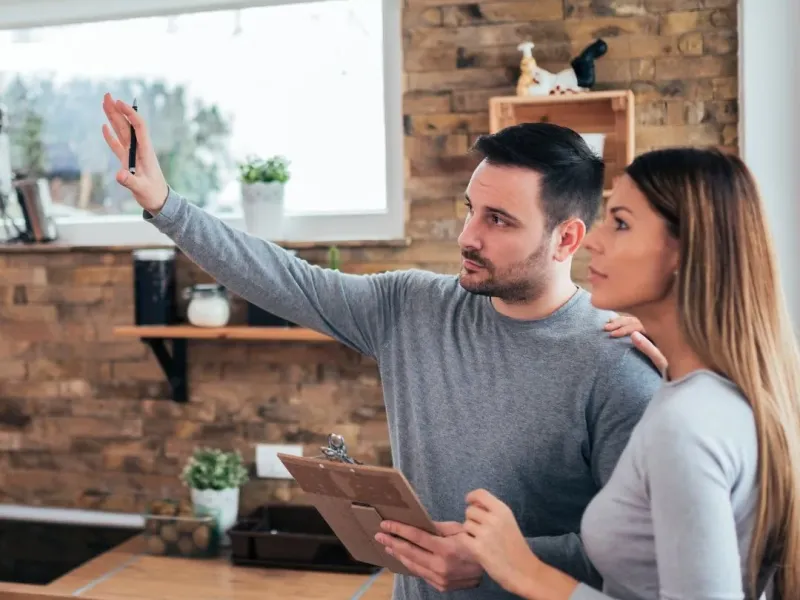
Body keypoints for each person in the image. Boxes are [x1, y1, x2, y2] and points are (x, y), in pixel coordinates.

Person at [100, 93, 663, 599]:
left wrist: (499, 561)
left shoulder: (616, 363)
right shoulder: (412, 306)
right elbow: (284, 279)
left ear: (566, 238)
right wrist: (165, 203)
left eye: (498, 220)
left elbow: (641, 554)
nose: (469, 236)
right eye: (471, 209)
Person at [460, 147, 800, 600]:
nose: (593, 240)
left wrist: (525, 569)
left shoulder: (687, 424)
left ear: (686, 251)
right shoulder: (711, 395)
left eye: (619, 222)